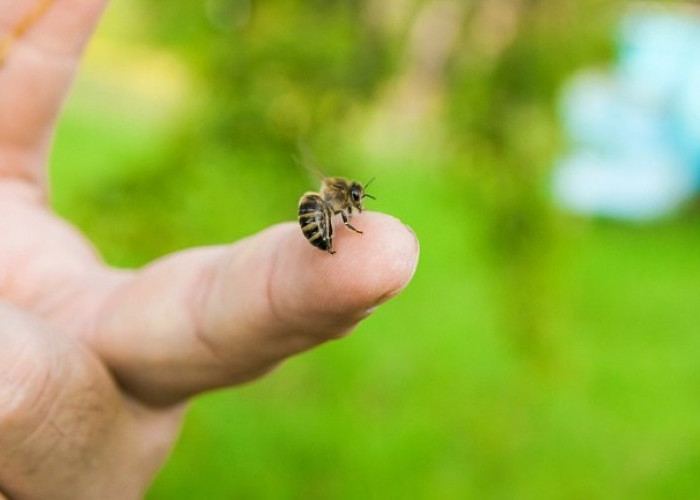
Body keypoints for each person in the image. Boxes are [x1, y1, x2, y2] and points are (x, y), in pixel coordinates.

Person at [0, 1, 419, 498]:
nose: (358, 204)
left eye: (355, 201)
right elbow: (328, 208)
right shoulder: (333, 202)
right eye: (356, 199)